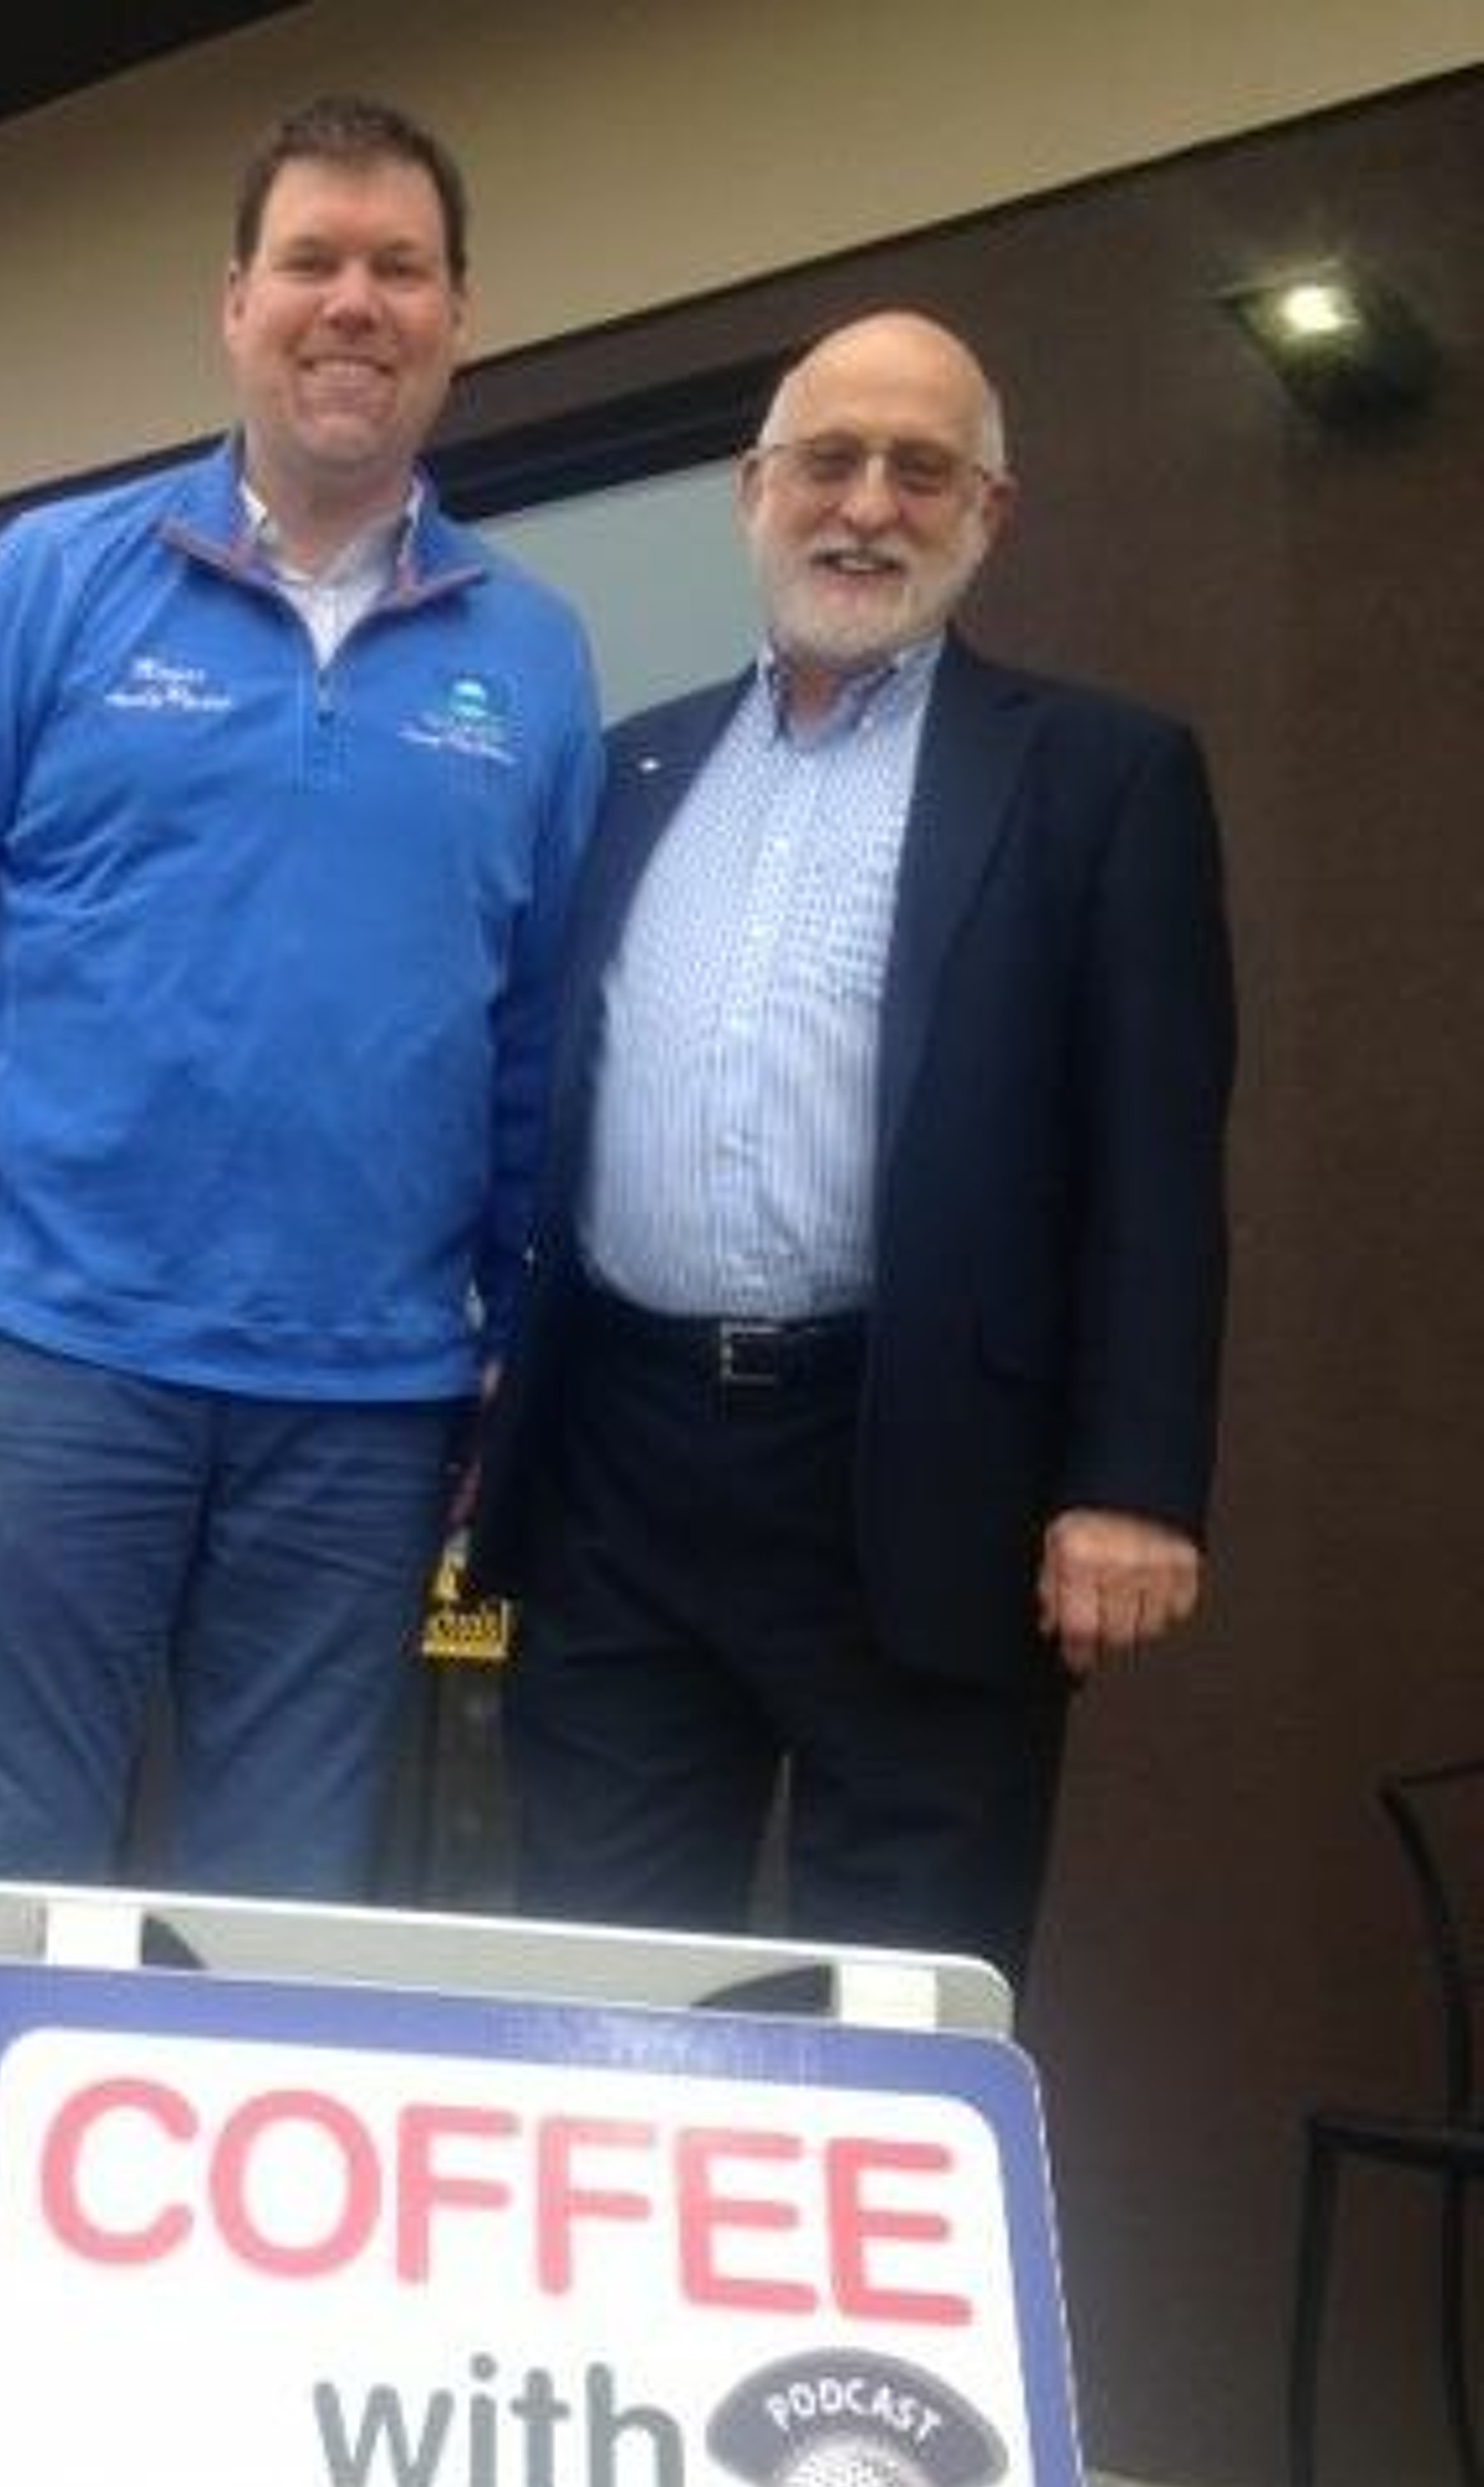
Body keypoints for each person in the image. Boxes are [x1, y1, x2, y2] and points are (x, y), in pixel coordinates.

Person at [0, 94, 601, 2487]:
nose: (356, 302)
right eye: (314, 259)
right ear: (235, 305)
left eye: (401, 267)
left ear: (458, 323)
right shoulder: (58, 583)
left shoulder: (531, 658)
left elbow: (533, 1050)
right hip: (51, 1367)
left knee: (276, 1961)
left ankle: (193, 2451)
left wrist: (507, 1352)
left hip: (363, 1420)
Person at [470, 309, 1235, 1992]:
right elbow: (540, 1086)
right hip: (622, 1470)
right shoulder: (630, 770)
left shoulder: (1099, 776)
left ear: (991, 514)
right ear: (753, 492)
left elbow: (1159, 1160)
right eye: (829, 460)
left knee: (897, 2011)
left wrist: (1132, 1480)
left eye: (921, 470)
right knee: (600, 1994)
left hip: (928, 1478)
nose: (868, 506)